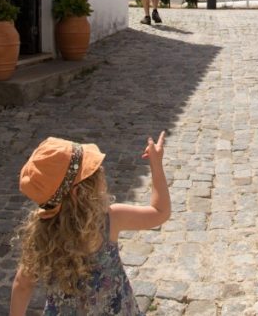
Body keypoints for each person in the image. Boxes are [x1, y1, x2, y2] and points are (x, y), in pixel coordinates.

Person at [9, 132, 170, 315]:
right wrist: (156, 164)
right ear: (79, 192)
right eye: (94, 172)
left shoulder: (41, 236)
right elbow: (160, 212)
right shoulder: (109, 219)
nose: (101, 171)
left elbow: (22, 285)